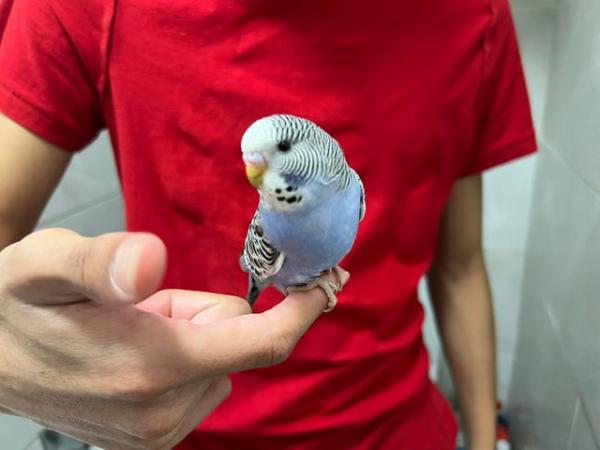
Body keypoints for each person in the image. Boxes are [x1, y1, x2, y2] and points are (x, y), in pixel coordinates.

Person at [0, 0, 536, 449]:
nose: (251, 174)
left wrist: (484, 440)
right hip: (184, 426)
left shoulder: (475, 18)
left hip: (399, 429)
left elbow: (462, 267)